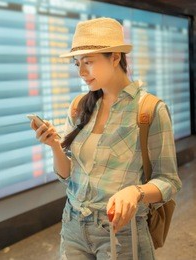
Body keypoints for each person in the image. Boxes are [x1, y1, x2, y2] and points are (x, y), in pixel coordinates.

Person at [29, 17, 182, 259]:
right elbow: (69, 178)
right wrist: (55, 147)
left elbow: (169, 181)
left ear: (115, 57)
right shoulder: (79, 106)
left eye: (88, 62)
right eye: (77, 63)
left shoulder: (149, 110)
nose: (81, 72)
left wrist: (136, 192)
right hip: (72, 226)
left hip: (121, 232)